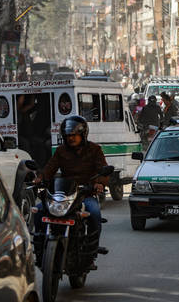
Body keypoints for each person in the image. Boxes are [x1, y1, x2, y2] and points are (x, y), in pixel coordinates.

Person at [33, 116, 108, 270]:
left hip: (85, 194)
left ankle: (90, 253)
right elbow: (50, 168)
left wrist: (99, 183)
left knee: (94, 214)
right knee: (39, 211)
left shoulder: (95, 149)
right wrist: (40, 178)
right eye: (68, 136)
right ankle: (40, 250)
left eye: (74, 135)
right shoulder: (61, 151)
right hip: (64, 194)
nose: (71, 138)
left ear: (83, 134)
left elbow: (103, 170)